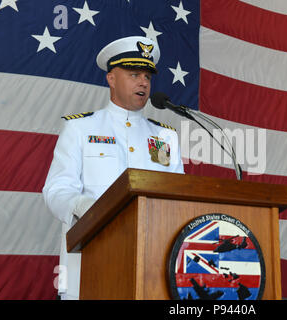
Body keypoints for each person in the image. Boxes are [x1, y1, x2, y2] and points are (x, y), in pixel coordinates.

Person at [42, 36, 184, 300]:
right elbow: (56, 188)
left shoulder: (165, 137)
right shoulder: (81, 128)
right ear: (111, 79)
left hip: (152, 269)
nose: (143, 82)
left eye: (147, 76)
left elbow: (178, 197)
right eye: (134, 74)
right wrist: (81, 206)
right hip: (90, 265)